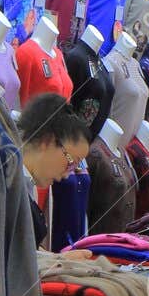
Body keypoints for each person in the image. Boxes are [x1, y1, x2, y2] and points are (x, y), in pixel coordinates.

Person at [16, 94, 93, 249]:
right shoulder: (6, 184)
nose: (66, 175)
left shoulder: (28, 185)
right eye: (71, 163)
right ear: (48, 141)